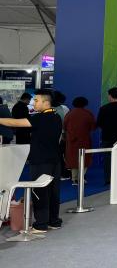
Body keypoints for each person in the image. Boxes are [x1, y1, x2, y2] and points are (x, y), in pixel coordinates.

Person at [0, 89, 64, 232]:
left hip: (41, 160)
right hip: (55, 159)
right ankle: (54, 221)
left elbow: (15, 122)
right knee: (53, 191)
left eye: (36, 100)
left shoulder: (40, 118)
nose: (33, 103)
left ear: (46, 102)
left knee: (39, 191)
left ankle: (40, 224)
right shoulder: (56, 117)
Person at [64, 96, 96, 184]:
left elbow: (64, 126)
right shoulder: (88, 113)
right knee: (85, 158)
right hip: (84, 139)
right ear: (85, 103)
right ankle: (81, 177)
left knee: (73, 159)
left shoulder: (69, 113)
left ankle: (74, 178)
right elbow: (93, 127)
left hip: (71, 140)